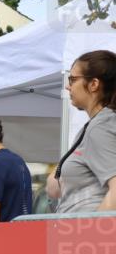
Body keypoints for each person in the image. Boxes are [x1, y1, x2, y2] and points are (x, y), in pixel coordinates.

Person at [47, 50, 116, 213]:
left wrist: (95, 233)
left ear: (94, 84)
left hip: (89, 233)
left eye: (72, 79)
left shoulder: (101, 126)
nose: (67, 86)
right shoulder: (98, 124)